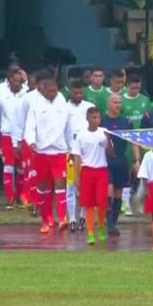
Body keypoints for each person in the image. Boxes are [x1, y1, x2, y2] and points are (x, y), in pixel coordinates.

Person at [23, 71, 72, 233]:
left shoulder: (63, 103)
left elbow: (68, 128)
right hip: (41, 152)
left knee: (60, 184)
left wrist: (71, 147)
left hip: (59, 151)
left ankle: (63, 218)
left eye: (55, 91)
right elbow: (29, 127)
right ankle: (45, 220)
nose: (53, 94)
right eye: (50, 91)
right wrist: (31, 142)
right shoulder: (35, 105)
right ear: (42, 88)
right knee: (42, 188)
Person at [72, 107, 114, 245]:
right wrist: (77, 176)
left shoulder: (103, 133)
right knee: (88, 204)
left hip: (101, 170)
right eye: (93, 117)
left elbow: (111, 152)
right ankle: (90, 232)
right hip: (88, 170)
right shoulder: (81, 135)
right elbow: (77, 157)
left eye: (98, 117)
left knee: (102, 204)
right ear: (87, 119)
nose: (96, 120)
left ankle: (101, 226)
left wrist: (109, 140)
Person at [101, 93, 140, 236]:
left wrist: (136, 160)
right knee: (109, 190)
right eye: (115, 102)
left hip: (121, 160)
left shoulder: (126, 121)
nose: (117, 105)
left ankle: (113, 222)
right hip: (106, 160)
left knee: (118, 191)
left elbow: (133, 141)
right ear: (108, 104)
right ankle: (109, 222)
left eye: (119, 103)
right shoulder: (102, 121)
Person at [0, 71, 27, 209]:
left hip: (23, 136)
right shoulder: (1, 95)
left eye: (20, 81)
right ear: (9, 81)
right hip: (6, 135)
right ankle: (10, 197)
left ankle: (21, 196)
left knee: (21, 169)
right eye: (15, 81)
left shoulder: (27, 95)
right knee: (8, 166)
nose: (17, 83)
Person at [66, 80, 95, 231]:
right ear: (70, 91)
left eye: (80, 93)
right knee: (70, 185)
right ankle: (71, 218)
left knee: (85, 187)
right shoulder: (64, 107)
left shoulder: (89, 107)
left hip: (87, 153)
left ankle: (83, 216)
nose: (78, 95)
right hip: (70, 151)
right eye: (75, 92)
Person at [120, 74, 150, 215]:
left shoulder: (145, 100)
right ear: (127, 86)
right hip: (127, 144)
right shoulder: (121, 100)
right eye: (133, 88)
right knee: (126, 174)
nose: (136, 90)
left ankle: (139, 202)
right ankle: (125, 204)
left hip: (142, 143)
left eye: (138, 88)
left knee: (141, 174)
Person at [15, 70, 42, 217]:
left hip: (44, 142)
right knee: (29, 171)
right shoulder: (28, 98)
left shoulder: (54, 98)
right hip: (29, 140)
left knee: (40, 173)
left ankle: (37, 201)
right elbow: (21, 121)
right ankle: (30, 199)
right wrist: (18, 142)